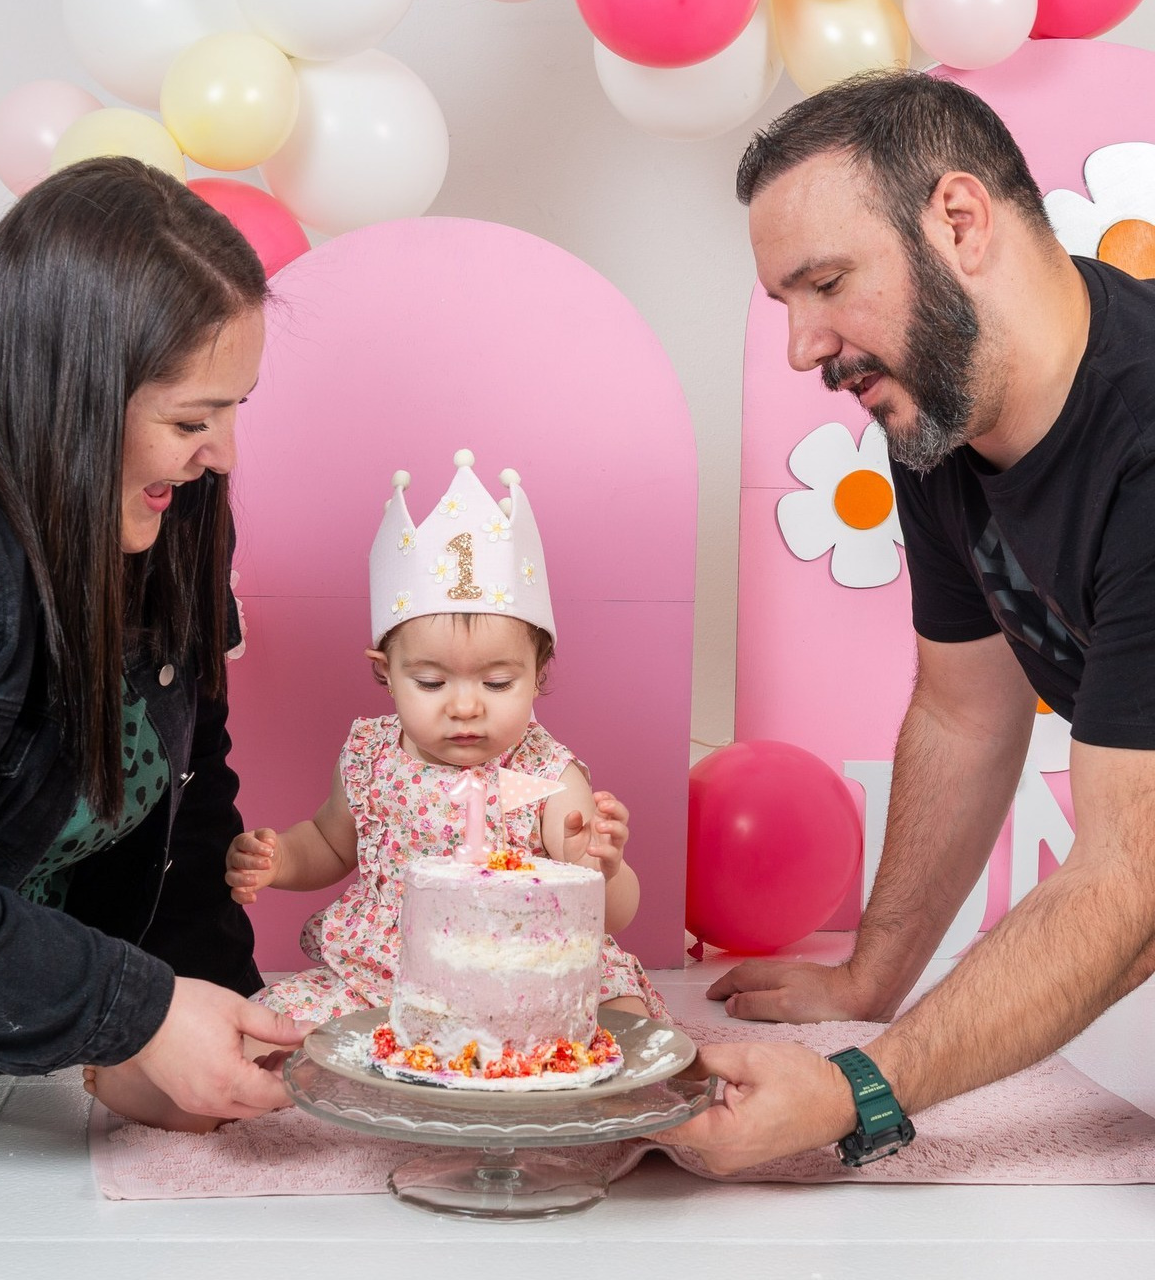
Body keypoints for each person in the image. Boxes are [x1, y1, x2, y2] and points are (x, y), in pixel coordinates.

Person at [662, 68, 1155, 1173]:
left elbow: (1131, 879)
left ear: (959, 219)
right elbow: (963, 709)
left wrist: (854, 1090)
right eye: (785, 302)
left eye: (825, 281)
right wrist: (867, 978)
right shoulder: (938, 416)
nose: (801, 346)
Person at [0, 156, 308, 1150]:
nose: (223, 454)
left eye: (232, 410)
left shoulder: (169, 497)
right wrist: (139, 1012)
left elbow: (189, 795)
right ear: (70, 393)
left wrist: (226, 1019)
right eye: (190, 419)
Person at [86, 449, 668, 1128]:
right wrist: (280, 860)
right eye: (431, 681)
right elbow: (332, 842)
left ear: (540, 674)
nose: (465, 706)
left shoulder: (544, 776)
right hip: (385, 976)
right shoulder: (369, 756)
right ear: (384, 674)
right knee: (278, 1034)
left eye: (497, 682)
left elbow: (614, 913)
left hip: (525, 983)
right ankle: (156, 1079)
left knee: (618, 1026)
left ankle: (588, 1108)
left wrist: (604, 865)